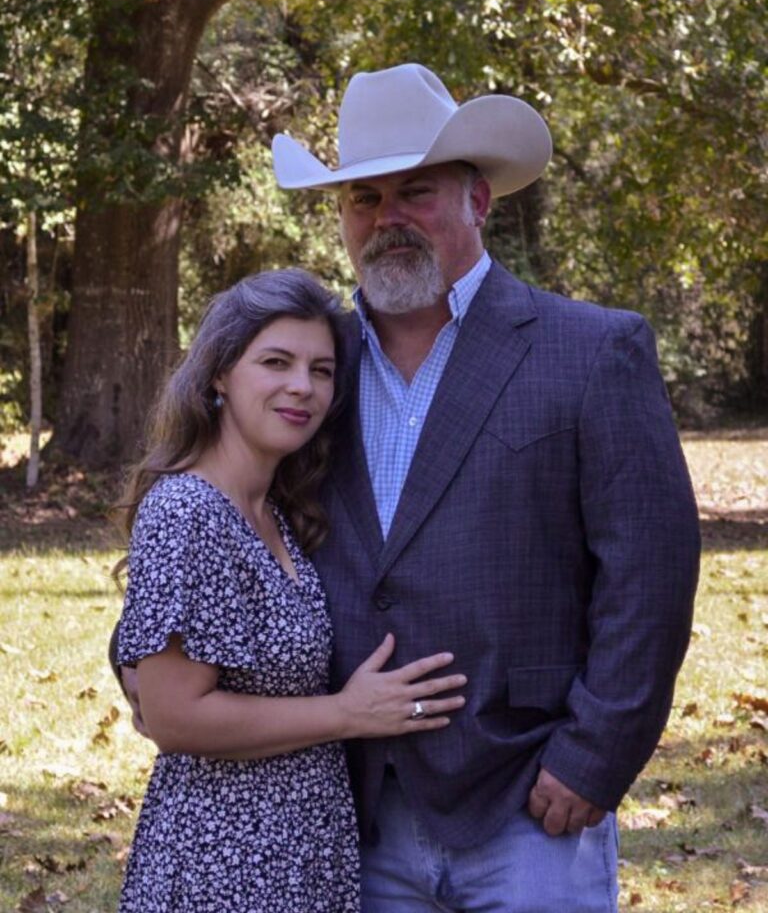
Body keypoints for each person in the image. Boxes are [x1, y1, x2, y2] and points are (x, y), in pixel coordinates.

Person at [269, 63, 701, 912]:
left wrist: (594, 756)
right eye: (363, 199)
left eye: (416, 191)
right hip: (354, 812)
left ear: (479, 200)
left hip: (529, 804)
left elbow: (650, 574)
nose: (388, 218)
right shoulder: (312, 372)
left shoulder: (590, 351)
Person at [112, 267, 467, 913]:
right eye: (276, 362)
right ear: (220, 373)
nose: (301, 387)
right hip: (223, 863)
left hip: (300, 854)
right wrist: (348, 713)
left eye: (322, 370)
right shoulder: (188, 511)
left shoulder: (275, 510)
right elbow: (173, 715)